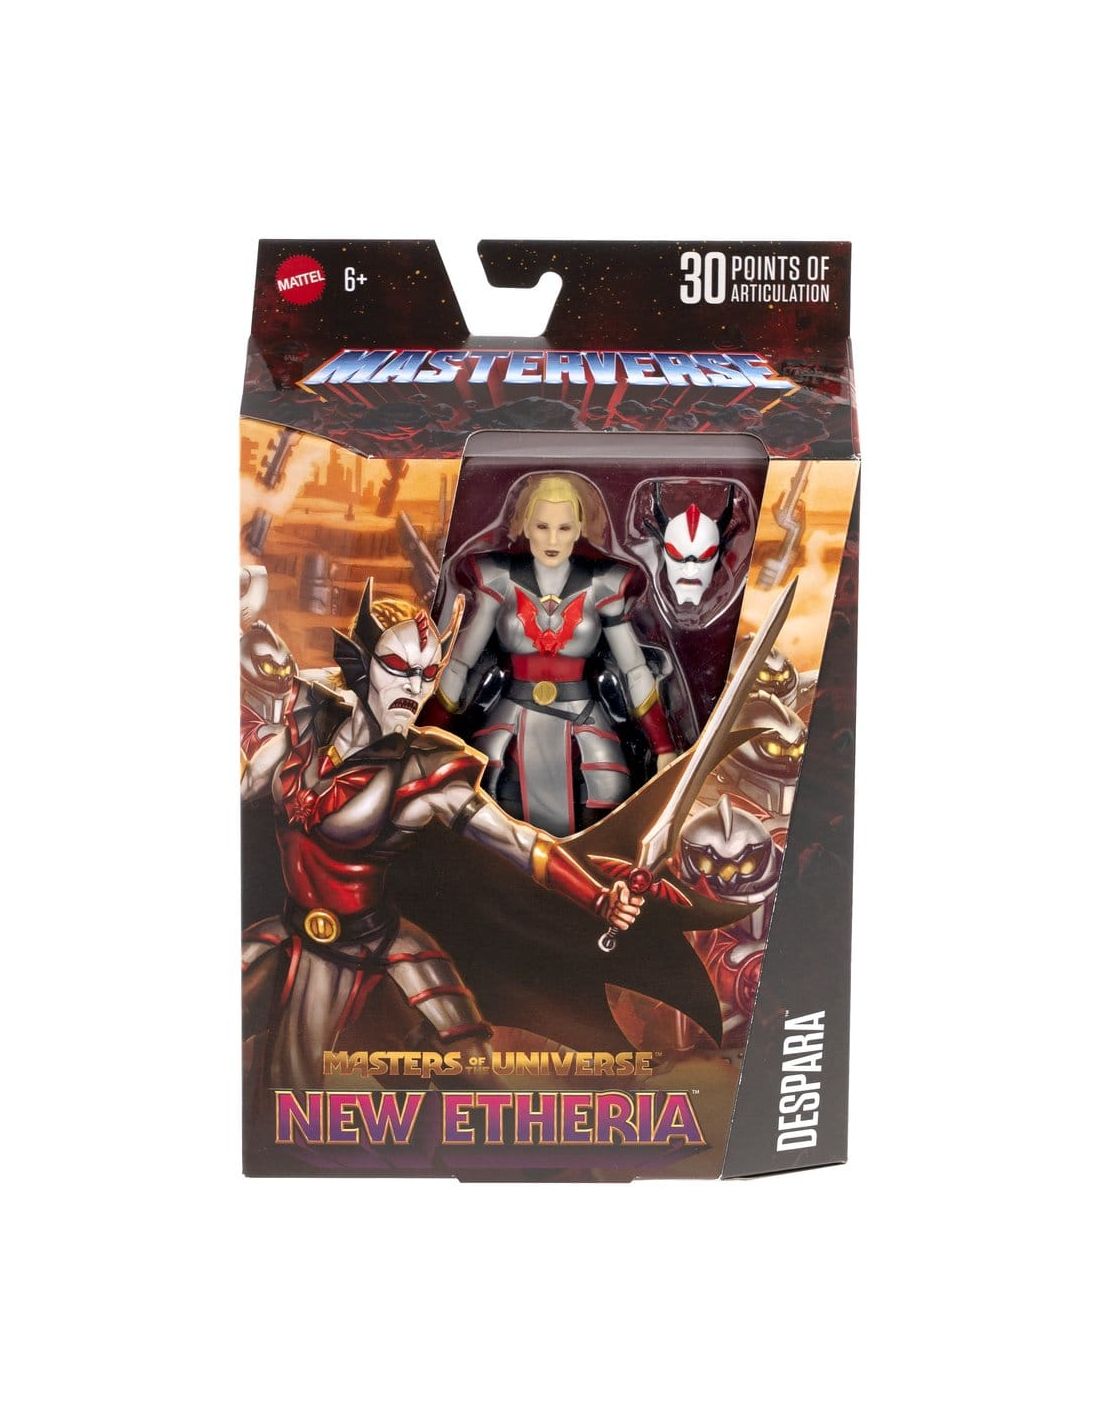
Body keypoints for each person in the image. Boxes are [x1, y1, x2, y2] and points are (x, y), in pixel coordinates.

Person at [240, 579, 643, 1089]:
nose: (415, 688)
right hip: (292, 932)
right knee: (280, 1098)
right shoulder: (300, 730)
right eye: (400, 667)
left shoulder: (423, 770)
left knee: (472, 1074)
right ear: (361, 662)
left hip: (377, 944)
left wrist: (599, 897)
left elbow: (516, 842)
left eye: (429, 674)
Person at [426, 472, 676, 836]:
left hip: (584, 730)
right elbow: (459, 663)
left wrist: (664, 747)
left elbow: (635, 670)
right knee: (492, 816)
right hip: (509, 727)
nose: (553, 540)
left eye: (564, 528)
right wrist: (425, 735)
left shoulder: (603, 584)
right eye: (542, 527)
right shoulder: (499, 579)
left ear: (579, 530)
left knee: (601, 812)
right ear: (525, 526)